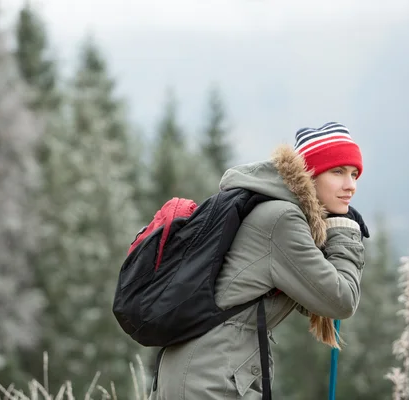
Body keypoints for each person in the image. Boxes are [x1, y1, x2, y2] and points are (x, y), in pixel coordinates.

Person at [149, 122, 368, 399]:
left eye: (355, 174)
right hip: (210, 380)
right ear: (310, 173)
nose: (351, 186)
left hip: (201, 371)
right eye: (337, 172)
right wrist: (344, 234)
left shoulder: (270, 209)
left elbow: (308, 297)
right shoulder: (282, 219)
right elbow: (340, 299)